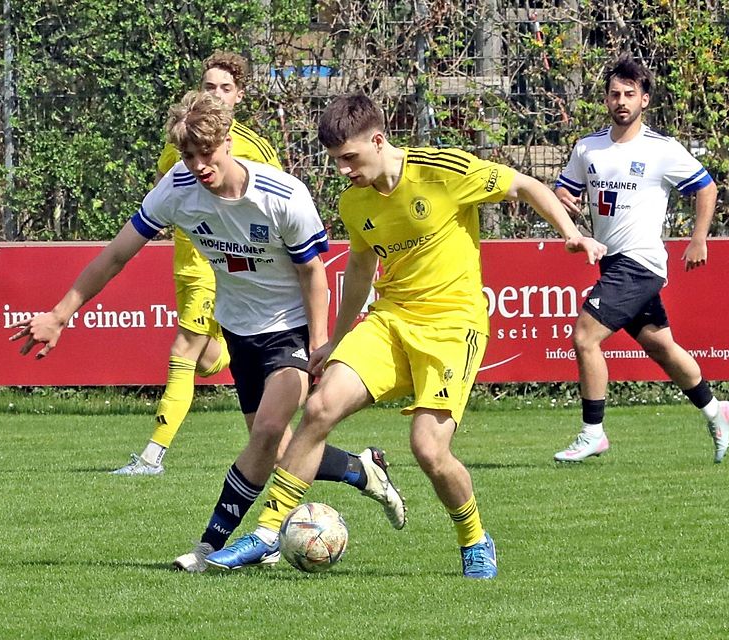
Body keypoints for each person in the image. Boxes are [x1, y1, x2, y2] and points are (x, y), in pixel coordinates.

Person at [204, 93, 606, 578]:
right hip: (391, 319)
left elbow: (524, 185)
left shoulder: (443, 171)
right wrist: (334, 339)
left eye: (349, 158)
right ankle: (267, 532)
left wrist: (571, 231)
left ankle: (474, 538)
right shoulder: (355, 202)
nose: (343, 170)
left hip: (452, 327)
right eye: (335, 161)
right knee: (319, 406)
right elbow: (358, 266)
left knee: (429, 450)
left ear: (378, 140)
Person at [9, 91, 406, 574]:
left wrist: (320, 345)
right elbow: (116, 255)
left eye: (207, 152)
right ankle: (362, 470)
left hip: (292, 328)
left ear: (228, 142)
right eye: (188, 155)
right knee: (277, 451)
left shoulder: (282, 195)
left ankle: (213, 546)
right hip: (241, 331)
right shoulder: (177, 188)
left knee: (265, 434)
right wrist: (60, 314)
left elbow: (313, 273)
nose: (198, 164)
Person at [552, 54, 729, 464]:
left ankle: (593, 433)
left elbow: (706, 188)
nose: (621, 101)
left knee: (585, 336)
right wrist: (564, 200)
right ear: (605, 99)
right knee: (661, 347)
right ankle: (714, 409)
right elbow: (563, 194)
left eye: (630, 95)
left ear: (645, 101)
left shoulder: (662, 149)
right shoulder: (588, 148)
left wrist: (698, 239)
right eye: (615, 94)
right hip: (612, 262)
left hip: (642, 262)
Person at [111, 50, 283, 476]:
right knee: (207, 360)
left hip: (223, 265)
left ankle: (152, 456)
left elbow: (277, 202)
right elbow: (163, 194)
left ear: (239, 95)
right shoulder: (181, 141)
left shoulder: (255, 148)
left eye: (226, 88)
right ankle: (229, 352)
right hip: (186, 263)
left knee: (182, 350)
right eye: (210, 87)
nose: (217, 95)